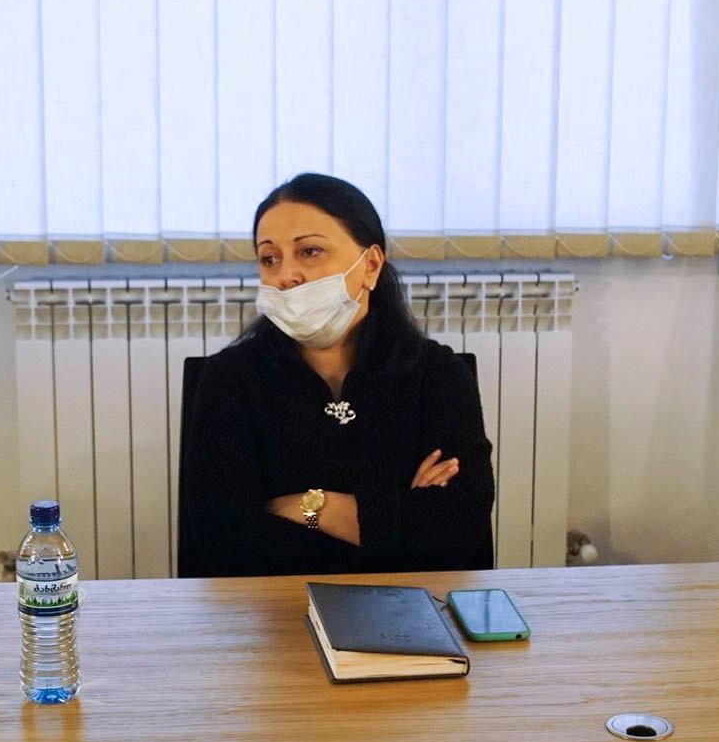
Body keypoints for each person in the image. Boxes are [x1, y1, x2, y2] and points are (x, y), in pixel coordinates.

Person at [177, 173, 494, 577]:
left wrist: (309, 507)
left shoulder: (438, 374)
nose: (286, 275)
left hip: (410, 602)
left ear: (371, 265)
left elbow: (458, 530)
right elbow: (226, 543)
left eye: (309, 251)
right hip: (271, 608)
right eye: (269, 258)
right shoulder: (229, 380)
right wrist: (395, 524)